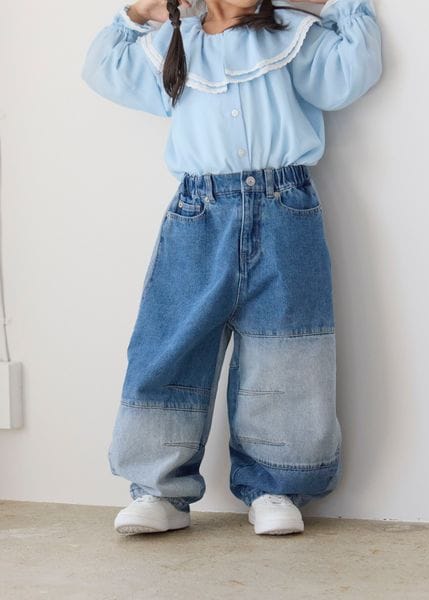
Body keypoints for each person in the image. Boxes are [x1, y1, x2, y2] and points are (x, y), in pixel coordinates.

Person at [81, 0, 382, 536]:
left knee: (286, 347)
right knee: (171, 343)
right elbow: (104, 68)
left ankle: (274, 486)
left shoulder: (289, 33)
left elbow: (346, 76)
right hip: (199, 211)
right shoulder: (176, 44)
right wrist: (139, 12)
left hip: (285, 207)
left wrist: (341, 6)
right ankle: (159, 490)